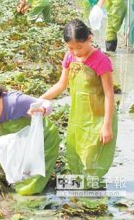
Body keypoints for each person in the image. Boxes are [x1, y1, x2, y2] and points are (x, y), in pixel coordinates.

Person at [31, 19, 117, 180]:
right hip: (78, 115)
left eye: (80, 47)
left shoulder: (101, 61)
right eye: (71, 48)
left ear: (89, 38)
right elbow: (61, 85)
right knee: (77, 149)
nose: (76, 52)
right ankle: (80, 185)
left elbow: (109, 94)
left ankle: (93, 191)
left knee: (93, 155)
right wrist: (38, 100)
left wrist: (107, 125)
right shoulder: (69, 58)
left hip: (99, 116)